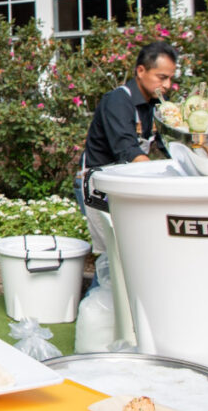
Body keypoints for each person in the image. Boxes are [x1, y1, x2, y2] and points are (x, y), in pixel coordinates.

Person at [75, 41, 177, 255]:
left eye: (170, 78)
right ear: (141, 71)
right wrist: (162, 180)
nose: (168, 84)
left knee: (131, 256)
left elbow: (167, 144)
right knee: (113, 257)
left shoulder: (157, 103)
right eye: (162, 77)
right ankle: (99, 290)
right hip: (97, 186)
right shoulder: (118, 101)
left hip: (124, 185)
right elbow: (128, 151)